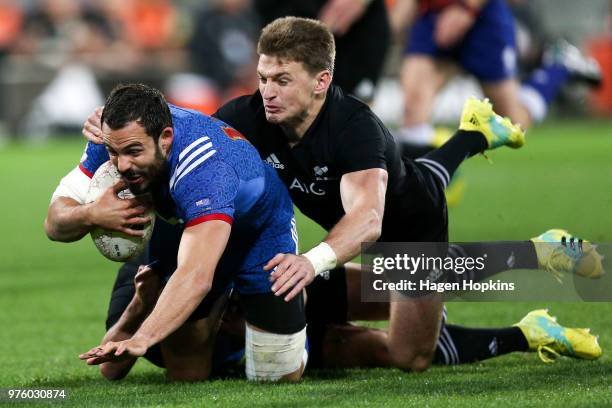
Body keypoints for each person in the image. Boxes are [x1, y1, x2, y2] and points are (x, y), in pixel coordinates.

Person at [81, 17, 602, 372]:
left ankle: (534, 285)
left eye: (282, 79)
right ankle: (474, 132)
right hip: (348, 225)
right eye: (263, 77)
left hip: (403, 228)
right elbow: (183, 142)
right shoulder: (247, 118)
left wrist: (314, 260)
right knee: (335, 304)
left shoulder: (355, 129)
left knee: (411, 354)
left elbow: (370, 220)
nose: (268, 91)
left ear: (321, 81)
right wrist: (113, 131)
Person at [45, 83, 307, 382]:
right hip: (189, 228)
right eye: (113, 152)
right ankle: (224, 317)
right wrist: (90, 213)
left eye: (133, 152)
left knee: (278, 377)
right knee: (185, 374)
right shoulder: (117, 135)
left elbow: (195, 276)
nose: (121, 164)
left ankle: (302, 305)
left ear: (166, 139)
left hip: (258, 232)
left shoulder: (205, 169)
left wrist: (143, 338)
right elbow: (54, 225)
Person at [392, 0, 602, 149]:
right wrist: (384, 33)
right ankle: (418, 195)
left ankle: (559, 67)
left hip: (482, 16)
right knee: (413, 108)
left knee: (512, 124)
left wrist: (466, 8)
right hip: (432, 16)